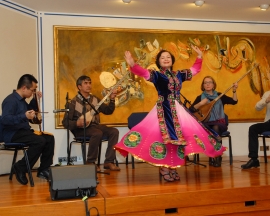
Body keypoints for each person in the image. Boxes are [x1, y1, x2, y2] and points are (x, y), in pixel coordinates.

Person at [115, 46, 226, 182]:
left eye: (168, 57)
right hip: (164, 109)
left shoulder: (178, 74)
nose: (166, 59)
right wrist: (132, 64)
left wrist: (199, 57)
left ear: (172, 60)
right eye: (163, 58)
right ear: (159, 62)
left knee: (181, 138)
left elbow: (194, 70)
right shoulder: (157, 75)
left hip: (178, 109)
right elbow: (144, 73)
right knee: (165, 138)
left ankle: (172, 167)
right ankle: (165, 167)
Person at [1, 74, 55, 185]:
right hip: (12, 133)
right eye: (33, 90)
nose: (33, 92)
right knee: (39, 141)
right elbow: (5, 120)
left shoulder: (22, 101)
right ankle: (20, 167)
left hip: (23, 131)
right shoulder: (10, 100)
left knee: (49, 138)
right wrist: (24, 116)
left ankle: (44, 169)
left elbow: (29, 111)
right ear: (24, 88)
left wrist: (35, 99)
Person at [62, 75, 120, 172]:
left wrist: (112, 99)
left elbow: (108, 111)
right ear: (79, 87)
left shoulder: (95, 99)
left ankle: (109, 162)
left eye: (90, 83)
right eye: (85, 83)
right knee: (97, 133)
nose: (89, 85)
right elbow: (65, 122)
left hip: (94, 126)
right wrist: (77, 123)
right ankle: (91, 162)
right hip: (80, 130)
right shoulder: (73, 102)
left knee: (114, 131)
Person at [189, 76, 238, 167]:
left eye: (210, 82)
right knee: (208, 129)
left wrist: (234, 90)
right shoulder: (200, 98)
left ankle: (217, 156)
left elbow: (234, 101)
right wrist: (200, 104)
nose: (207, 84)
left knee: (215, 128)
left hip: (219, 123)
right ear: (203, 85)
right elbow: (190, 110)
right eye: (205, 82)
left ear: (213, 84)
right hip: (206, 124)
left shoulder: (220, 95)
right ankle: (214, 153)